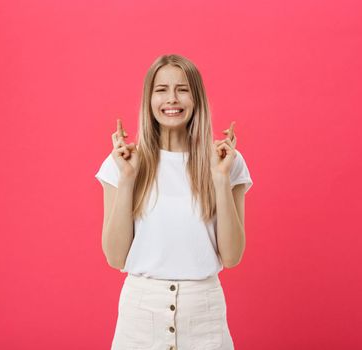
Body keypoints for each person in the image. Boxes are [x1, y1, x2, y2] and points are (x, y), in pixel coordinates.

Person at [95, 54, 253, 350]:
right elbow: (116, 257)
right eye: (161, 90)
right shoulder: (124, 162)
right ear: (149, 99)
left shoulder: (226, 162)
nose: (172, 99)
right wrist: (127, 179)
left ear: (196, 98)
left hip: (204, 317)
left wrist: (220, 179)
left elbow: (231, 257)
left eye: (182, 89)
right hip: (139, 319)